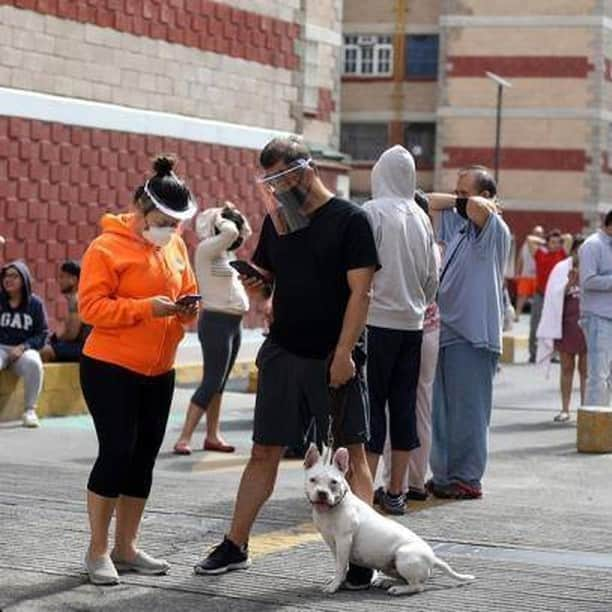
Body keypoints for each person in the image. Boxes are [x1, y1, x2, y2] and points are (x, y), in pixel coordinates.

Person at [194, 136, 380, 590]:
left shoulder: (350, 220)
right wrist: (255, 283)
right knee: (264, 451)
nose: (274, 190)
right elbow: (270, 284)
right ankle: (235, 544)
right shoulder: (279, 222)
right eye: (268, 181)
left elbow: (362, 293)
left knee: (350, 456)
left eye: (279, 179)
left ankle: (362, 554)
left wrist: (342, 354)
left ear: (304, 169)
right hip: (283, 352)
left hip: (331, 357)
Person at [78, 155, 199, 585]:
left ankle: (126, 546)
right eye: (163, 219)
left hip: (159, 370)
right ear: (140, 208)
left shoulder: (176, 245)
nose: (170, 227)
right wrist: (144, 309)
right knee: (116, 452)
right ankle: (97, 549)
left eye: (176, 221)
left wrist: (187, 311)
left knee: (143, 457)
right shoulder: (105, 248)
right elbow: (90, 308)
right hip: (110, 366)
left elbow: (186, 290)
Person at [361, 146, 438, 515]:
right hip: (413, 324)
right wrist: (417, 303)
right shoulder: (421, 218)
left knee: (371, 406)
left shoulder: (372, 212)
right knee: (404, 405)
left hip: (376, 322)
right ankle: (397, 492)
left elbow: (358, 270)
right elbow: (431, 278)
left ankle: (364, 490)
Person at [427, 165, 511, 499]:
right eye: (457, 192)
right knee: (443, 413)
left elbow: (476, 208)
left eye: (466, 192)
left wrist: (475, 202)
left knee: (469, 412)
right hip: (446, 330)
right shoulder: (460, 228)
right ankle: (445, 475)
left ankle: (467, 477)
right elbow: (430, 202)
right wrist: (461, 198)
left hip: (473, 336)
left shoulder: (493, 229)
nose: (459, 200)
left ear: (488, 197)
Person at [376, 189, 442, 507]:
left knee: (389, 409)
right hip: (426, 329)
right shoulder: (430, 243)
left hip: (397, 329)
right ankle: (412, 482)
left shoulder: (394, 236)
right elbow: (432, 286)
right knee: (419, 406)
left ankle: (393, 481)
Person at [173, 202, 252, 455]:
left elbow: (242, 233)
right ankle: (184, 437)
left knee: (220, 382)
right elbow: (230, 233)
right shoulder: (207, 249)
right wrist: (219, 216)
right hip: (216, 322)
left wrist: (236, 216)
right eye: (233, 226)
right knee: (211, 381)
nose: (237, 233)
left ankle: (212, 435)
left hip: (233, 324)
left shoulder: (227, 255)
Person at [536, 236, 587, 421]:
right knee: (566, 367)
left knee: (586, 370)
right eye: (579, 250)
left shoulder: (593, 266)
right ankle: (565, 409)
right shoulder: (561, 268)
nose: (581, 255)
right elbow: (553, 296)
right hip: (566, 324)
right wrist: (569, 284)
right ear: (573, 250)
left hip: (587, 324)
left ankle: (585, 409)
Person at [0, 261, 48, 428]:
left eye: (14, 276)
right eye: (6, 276)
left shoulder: (35, 304)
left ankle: (30, 410)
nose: (8, 279)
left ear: (24, 280)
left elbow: (42, 334)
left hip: (22, 349)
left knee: (34, 363)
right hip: (0, 348)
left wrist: (23, 347)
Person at [579, 209, 612, 406]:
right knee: (598, 376)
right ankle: (594, 426)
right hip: (598, 317)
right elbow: (588, 280)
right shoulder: (593, 245)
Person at [528, 229, 572, 363]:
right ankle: (534, 353)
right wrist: (545, 241)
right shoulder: (540, 253)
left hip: (556, 296)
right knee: (535, 323)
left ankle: (554, 354)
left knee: (556, 324)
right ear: (547, 243)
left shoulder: (562, 254)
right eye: (552, 243)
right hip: (540, 294)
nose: (555, 245)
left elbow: (569, 236)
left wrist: (558, 239)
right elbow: (529, 239)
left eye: (558, 243)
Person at [40, 260, 90, 363]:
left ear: (74, 279)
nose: (60, 281)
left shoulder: (76, 300)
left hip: (83, 349)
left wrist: (55, 341)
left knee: (45, 351)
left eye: (63, 277)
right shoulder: (77, 298)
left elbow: (72, 334)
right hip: (80, 347)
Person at [514, 226, 544, 320]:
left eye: (539, 233)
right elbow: (520, 259)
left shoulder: (544, 245)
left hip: (538, 276)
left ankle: (537, 317)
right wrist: (517, 272)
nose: (537, 235)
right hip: (526, 274)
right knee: (522, 296)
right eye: (536, 233)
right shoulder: (526, 245)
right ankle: (517, 315)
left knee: (538, 298)